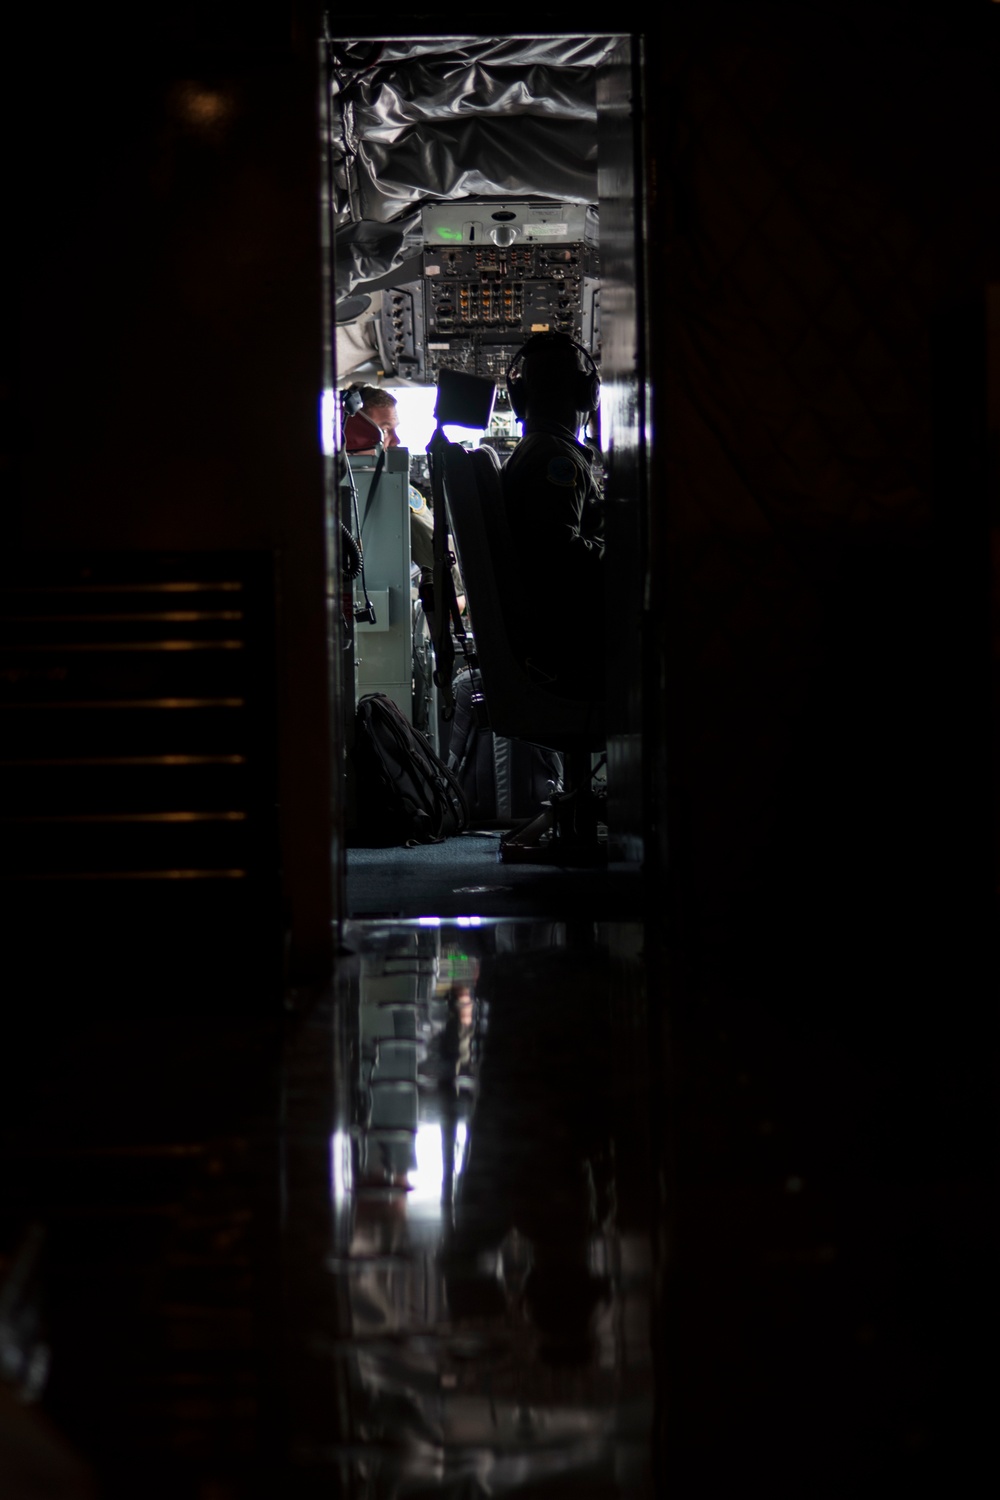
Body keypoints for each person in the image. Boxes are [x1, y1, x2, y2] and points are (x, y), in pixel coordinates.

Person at [501, 334, 605, 701]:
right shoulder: (554, 459)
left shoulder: (538, 449)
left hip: (554, 642)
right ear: (587, 395)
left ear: (520, 399)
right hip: (571, 653)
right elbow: (559, 555)